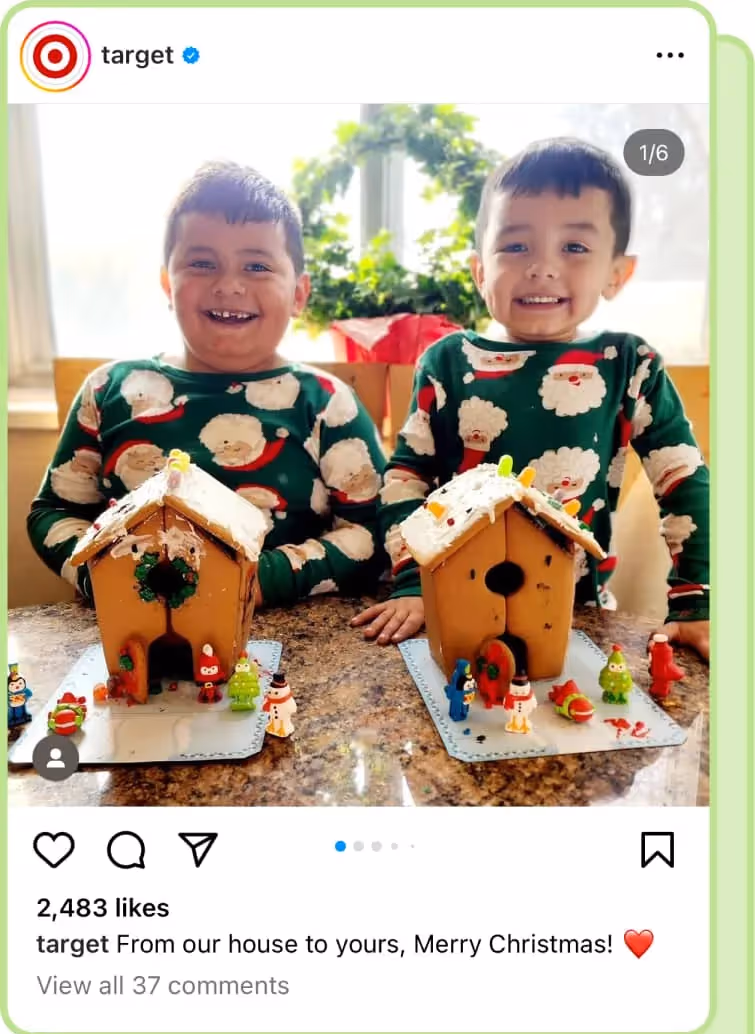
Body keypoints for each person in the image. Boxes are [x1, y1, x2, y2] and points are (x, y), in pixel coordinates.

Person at [352, 138, 709, 660]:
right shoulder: (447, 362)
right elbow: (407, 482)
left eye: (575, 247)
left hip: (577, 613)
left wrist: (697, 602)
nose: (542, 267)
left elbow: (685, 484)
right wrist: (414, 584)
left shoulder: (631, 364)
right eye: (516, 246)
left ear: (617, 273)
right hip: (456, 606)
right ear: (480, 271)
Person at [28, 162, 385, 607]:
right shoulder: (108, 391)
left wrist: (266, 578)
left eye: (256, 266)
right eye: (202, 263)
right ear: (167, 284)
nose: (228, 285)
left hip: (282, 635)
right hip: (133, 628)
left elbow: (373, 529)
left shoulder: (328, 403)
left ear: (298, 293)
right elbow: (57, 512)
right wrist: (101, 574)